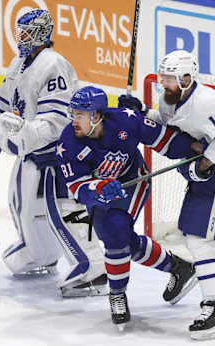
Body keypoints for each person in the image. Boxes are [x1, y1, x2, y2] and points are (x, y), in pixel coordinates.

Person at [0, 9, 107, 298]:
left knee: (62, 211)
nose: (21, 38)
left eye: (26, 33)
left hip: (56, 156)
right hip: (31, 155)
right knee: (21, 205)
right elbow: (2, 106)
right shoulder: (19, 63)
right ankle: (39, 253)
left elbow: (54, 122)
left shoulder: (54, 65)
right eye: (20, 33)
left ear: (41, 34)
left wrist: (20, 132)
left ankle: (95, 268)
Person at [118, 49, 215, 340]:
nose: (164, 84)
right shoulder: (168, 99)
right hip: (205, 176)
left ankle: (214, 310)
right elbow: (167, 126)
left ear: (187, 79)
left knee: (200, 240)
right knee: (192, 235)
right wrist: (140, 113)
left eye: (170, 79)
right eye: (162, 78)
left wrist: (204, 162)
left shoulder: (207, 102)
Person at [56, 85, 199, 330]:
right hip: (100, 191)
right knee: (119, 240)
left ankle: (117, 294)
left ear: (97, 115)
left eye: (80, 114)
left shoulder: (125, 120)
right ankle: (179, 267)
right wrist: (99, 189)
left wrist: (199, 149)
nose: (74, 120)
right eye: (74, 113)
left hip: (134, 181)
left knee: (115, 232)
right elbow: (78, 188)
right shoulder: (68, 143)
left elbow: (166, 141)